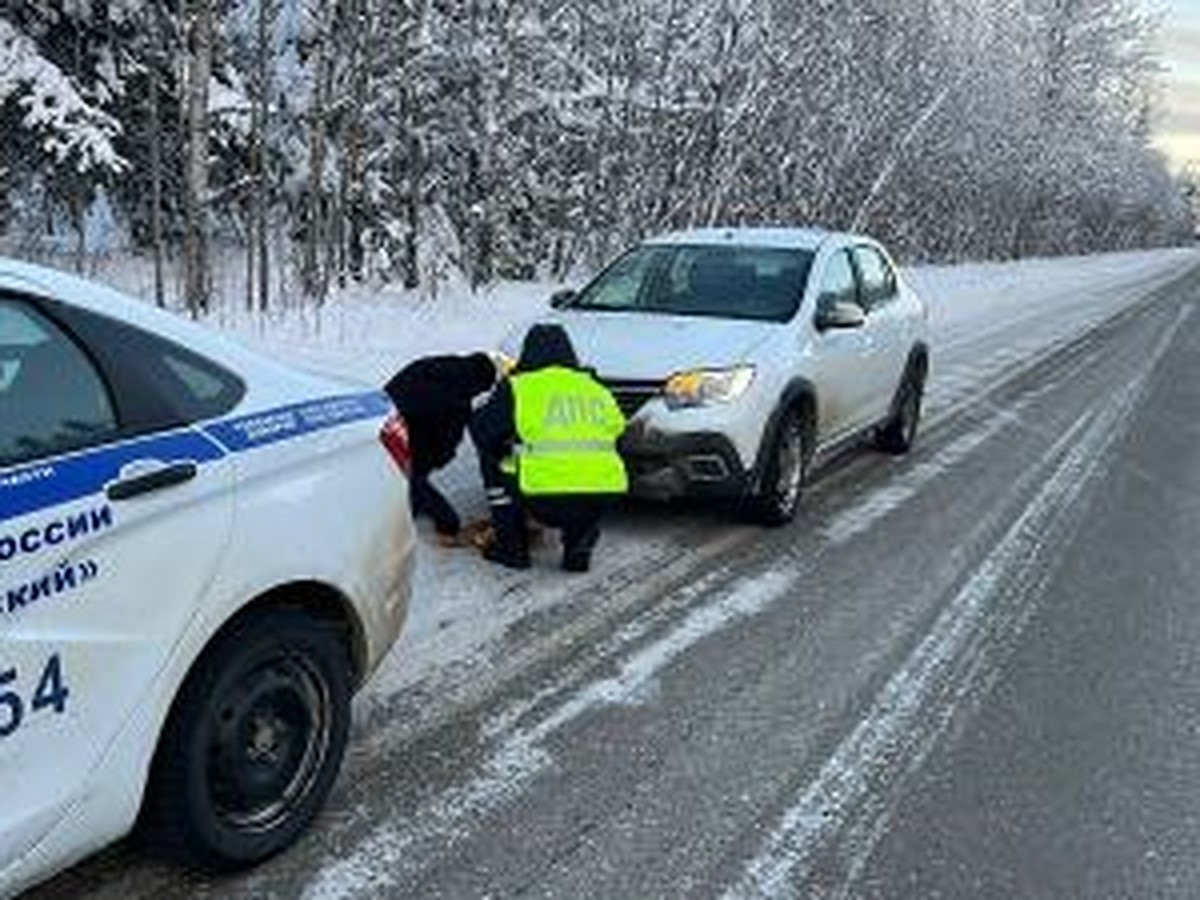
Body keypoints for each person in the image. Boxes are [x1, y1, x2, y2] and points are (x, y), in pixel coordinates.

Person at [469, 324, 628, 572]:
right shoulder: (596, 387)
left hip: (542, 496)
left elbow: (484, 432)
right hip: (602, 495)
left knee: (492, 461)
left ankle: (512, 549)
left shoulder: (518, 386)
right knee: (590, 467)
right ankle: (578, 544)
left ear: (528, 353)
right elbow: (618, 436)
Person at [384, 353, 499, 544]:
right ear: (478, 382)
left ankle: (411, 501)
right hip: (406, 430)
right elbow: (447, 442)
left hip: (384, 417)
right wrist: (440, 458)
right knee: (415, 478)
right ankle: (446, 523)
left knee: (411, 473)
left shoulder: (434, 365)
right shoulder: (458, 399)